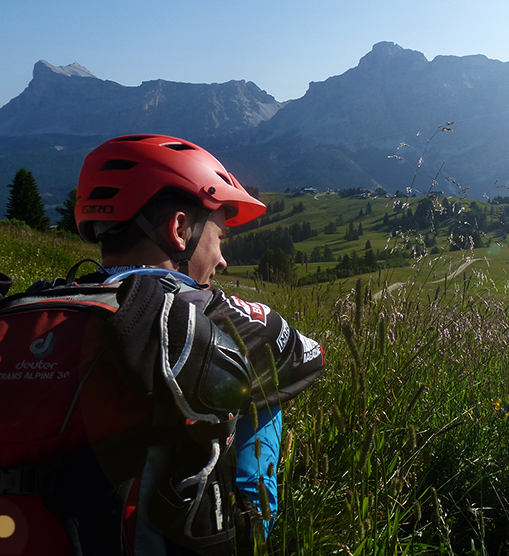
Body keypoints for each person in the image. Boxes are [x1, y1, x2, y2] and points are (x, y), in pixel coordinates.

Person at [2, 134, 325, 554]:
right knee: (260, 389)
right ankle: (248, 534)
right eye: (220, 239)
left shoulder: (30, 306)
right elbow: (310, 355)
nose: (222, 260)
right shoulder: (199, 312)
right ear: (179, 229)